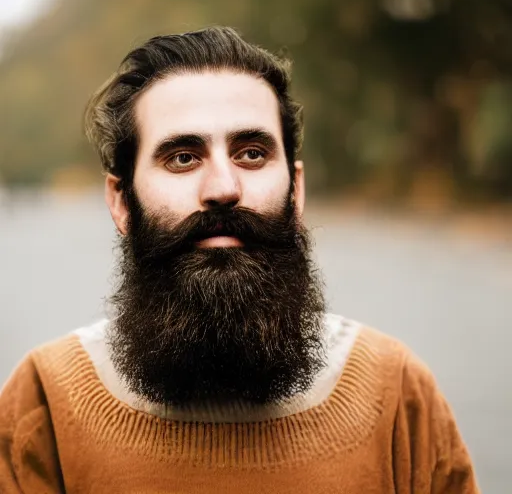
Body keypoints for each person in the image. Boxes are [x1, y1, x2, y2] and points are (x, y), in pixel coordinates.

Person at [0, 26, 479, 493]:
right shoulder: (45, 403)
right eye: (183, 158)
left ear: (296, 192)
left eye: (251, 153)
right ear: (122, 201)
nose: (224, 189)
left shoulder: (396, 395)